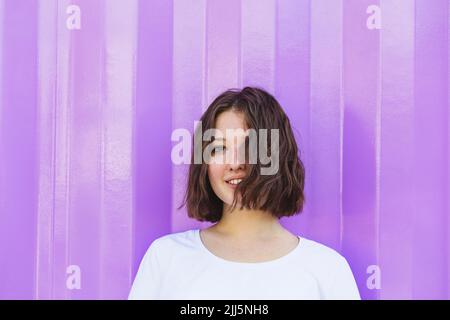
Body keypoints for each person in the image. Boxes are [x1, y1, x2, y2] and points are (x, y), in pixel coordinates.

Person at [128, 87, 361, 300]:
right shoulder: (166, 258)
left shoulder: (328, 269)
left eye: (250, 147)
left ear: (277, 157)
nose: (234, 163)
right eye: (219, 148)